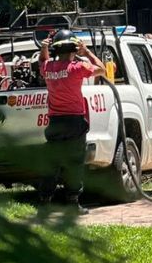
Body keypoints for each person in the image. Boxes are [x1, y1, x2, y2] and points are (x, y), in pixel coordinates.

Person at [38, 29, 104, 215]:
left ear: (56, 50)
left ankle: (44, 204)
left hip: (55, 123)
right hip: (74, 122)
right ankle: (73, 203)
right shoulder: (77, 68)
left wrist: (44, 49)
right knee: (74, 163)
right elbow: (102, 69)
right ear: (74, 49)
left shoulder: (49, 68)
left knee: (52, 164)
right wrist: (87, 52)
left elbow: (42, 62)